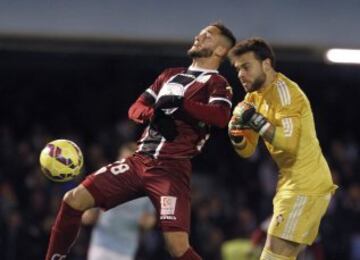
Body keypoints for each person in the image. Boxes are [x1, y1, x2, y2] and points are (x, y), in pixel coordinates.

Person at [45, 22, 236, 260]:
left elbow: (220, 117)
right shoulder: (170, 74)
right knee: (72, 200)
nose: (198, 36)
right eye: (200, 33)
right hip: (138, 161)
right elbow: (135, 108)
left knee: (177, 247)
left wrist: (181, 106)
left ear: (220, 51)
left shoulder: (217, 84)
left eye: (207, 36)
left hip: (171, 170)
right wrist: (154, 114)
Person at [227, 38, 337, 260]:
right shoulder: (253, 98)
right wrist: (236, 134)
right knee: (282, 256)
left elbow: (288, 143)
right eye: (238, 69)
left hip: (305, 184)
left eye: (246, 67)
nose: (240, 74)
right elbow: (247, 152)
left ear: (266, 64)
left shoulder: (287, 94)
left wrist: (254, 120)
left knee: (271, 255)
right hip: (290, 185)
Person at [82, 142, 155, 260]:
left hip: (125, 250)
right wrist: (88, 215)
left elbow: (150, 219)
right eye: (122, 160)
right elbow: (87, 215)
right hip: (101, 244)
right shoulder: (104, 179)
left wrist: (147, 223)